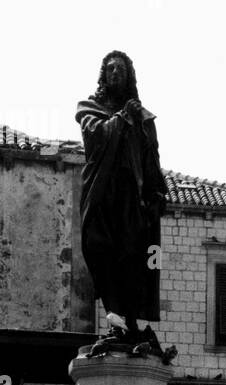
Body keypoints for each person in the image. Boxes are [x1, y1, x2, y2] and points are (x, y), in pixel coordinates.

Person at [76, 52, 170, 356]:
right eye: (111, 68)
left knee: (132, 257)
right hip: (102, 192)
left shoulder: (144, 118)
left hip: (132, 196)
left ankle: (127, 323)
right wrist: (122, 118)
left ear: (130, 76)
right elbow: (95, 140)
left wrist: (157, 193)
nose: (116, 72)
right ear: (104, 75)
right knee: (99, 248)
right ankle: (115, 317)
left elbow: (151, 158)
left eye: (122, 69)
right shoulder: (89, 108)